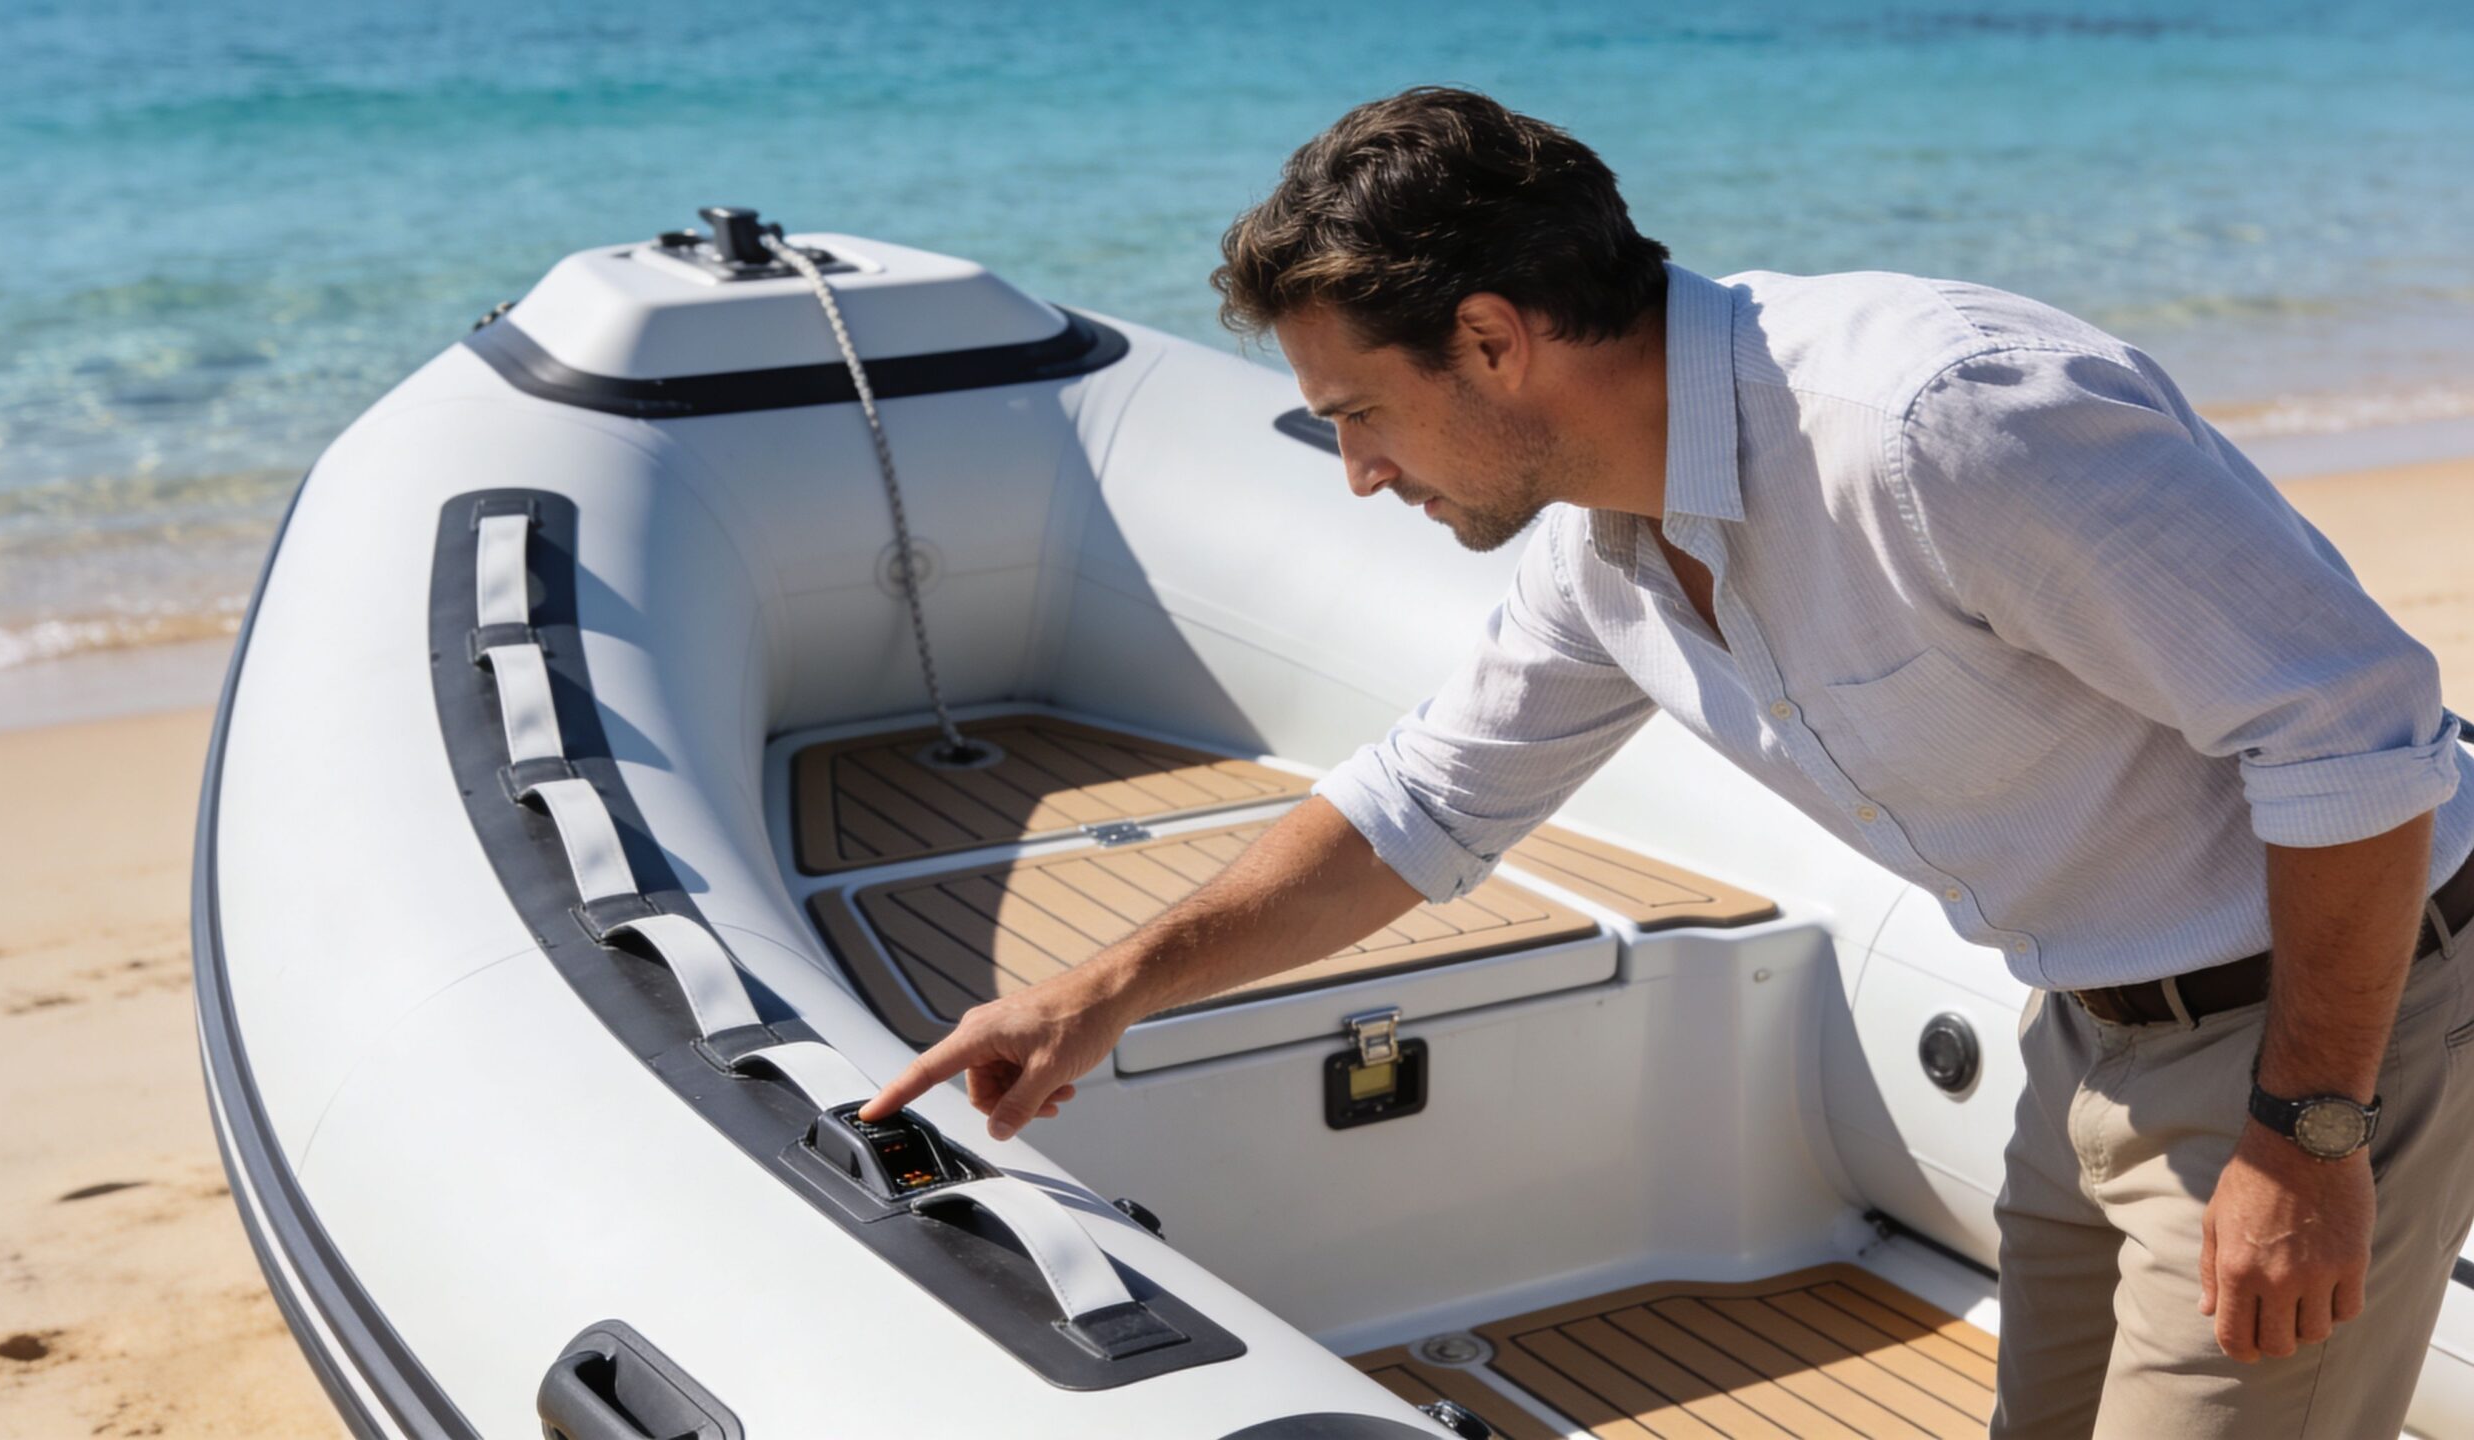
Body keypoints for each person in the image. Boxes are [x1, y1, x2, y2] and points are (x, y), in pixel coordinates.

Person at [856, 86, 2474, 1437]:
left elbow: (2354, 733)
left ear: (1491, 341)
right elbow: (1418, 807)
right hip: (2095, 1031)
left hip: (2332, 1029)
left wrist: (2309, 1133)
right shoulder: (1606, 554)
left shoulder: (1935, 426)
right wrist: (1104, 991)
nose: (1352, 474)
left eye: (1361, 413)